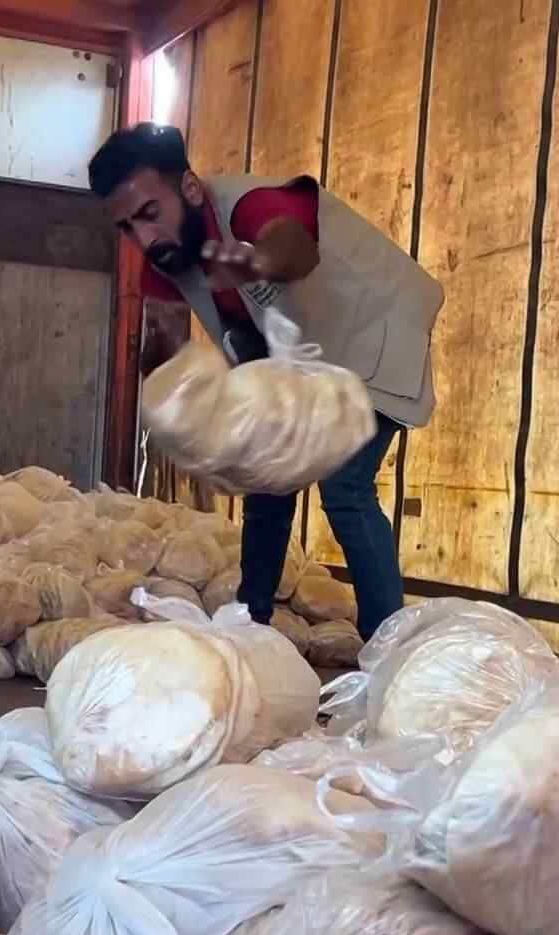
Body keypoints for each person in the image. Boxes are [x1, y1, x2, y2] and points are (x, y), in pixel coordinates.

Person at [88, 123, 443, 643]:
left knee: (345, 488)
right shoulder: (166, 257)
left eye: (150, 213)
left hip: (373, 334)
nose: (145, 238)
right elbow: (164, 343)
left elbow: (295, 247)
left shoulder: (250, 204)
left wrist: (257, 261)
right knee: (266, 481)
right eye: (127, 227)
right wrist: (178, 417)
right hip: (302, 357)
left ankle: (388, 644)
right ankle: (250, 626)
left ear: (189, 188)